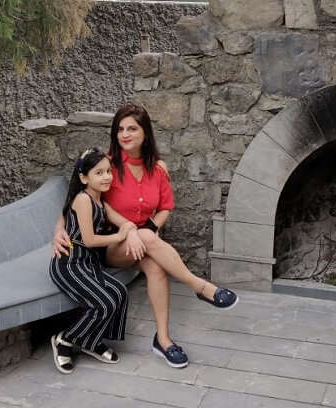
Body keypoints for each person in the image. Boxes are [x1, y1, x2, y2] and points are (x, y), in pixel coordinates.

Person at [52, 103, 238, 369]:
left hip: (143, 242)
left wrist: (146, 230)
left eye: (132, 129)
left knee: (156, 268)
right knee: (150, 242)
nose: (125, 134)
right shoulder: (107, 166)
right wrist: (59, 231)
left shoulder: (158, 168)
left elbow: (165, 208)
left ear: (145, 133)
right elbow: (75, 200)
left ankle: (163, 340)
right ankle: (200, 287)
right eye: (120, 129)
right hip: (110, 245)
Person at [49, 147, 134, 374]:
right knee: (104, 301)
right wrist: (119, 235)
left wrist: (130, 229)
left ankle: (89, 340)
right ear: (84, 177)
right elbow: (88, 240)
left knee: (119, 292)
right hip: (69, 264)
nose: (106, 177)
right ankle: (65, 340)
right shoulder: (83, 200)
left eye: (108, 171)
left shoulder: (101, 203)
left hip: (87, 265)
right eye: (99, 173)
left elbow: (126, 222)